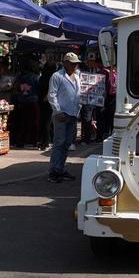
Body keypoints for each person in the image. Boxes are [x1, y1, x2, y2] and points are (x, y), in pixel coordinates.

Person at [47, 51, 82, 183]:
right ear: (65, 63)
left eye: (76, 64)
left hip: (72, 114)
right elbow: (52, 95)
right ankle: (53, 170)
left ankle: (60, 168)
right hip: (61, 114)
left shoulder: (77, 76)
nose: (75, 66)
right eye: (72, 64)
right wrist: (57, 111)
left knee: (67, 143)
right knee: (59, 142)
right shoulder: (57, 76)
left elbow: (78, 94)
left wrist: (79, 109)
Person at [10, 59, 41, 148]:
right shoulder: (36, 77)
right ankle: (34, 141)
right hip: (33, 101)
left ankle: (21, 141)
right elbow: (39, 89)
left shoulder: (20, 77)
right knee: (34, 122)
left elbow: (15, 87)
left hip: (22, 101)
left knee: (23, 122)